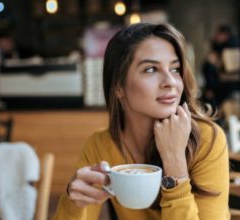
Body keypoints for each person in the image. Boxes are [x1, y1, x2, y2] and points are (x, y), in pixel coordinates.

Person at [53, 23, 229, 219]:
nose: (170, 81)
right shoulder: (100, 145)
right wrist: (74, 200)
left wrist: (175, 163)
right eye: (151, 69)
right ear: (118, 86)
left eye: (175, 68)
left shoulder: (207, 140)